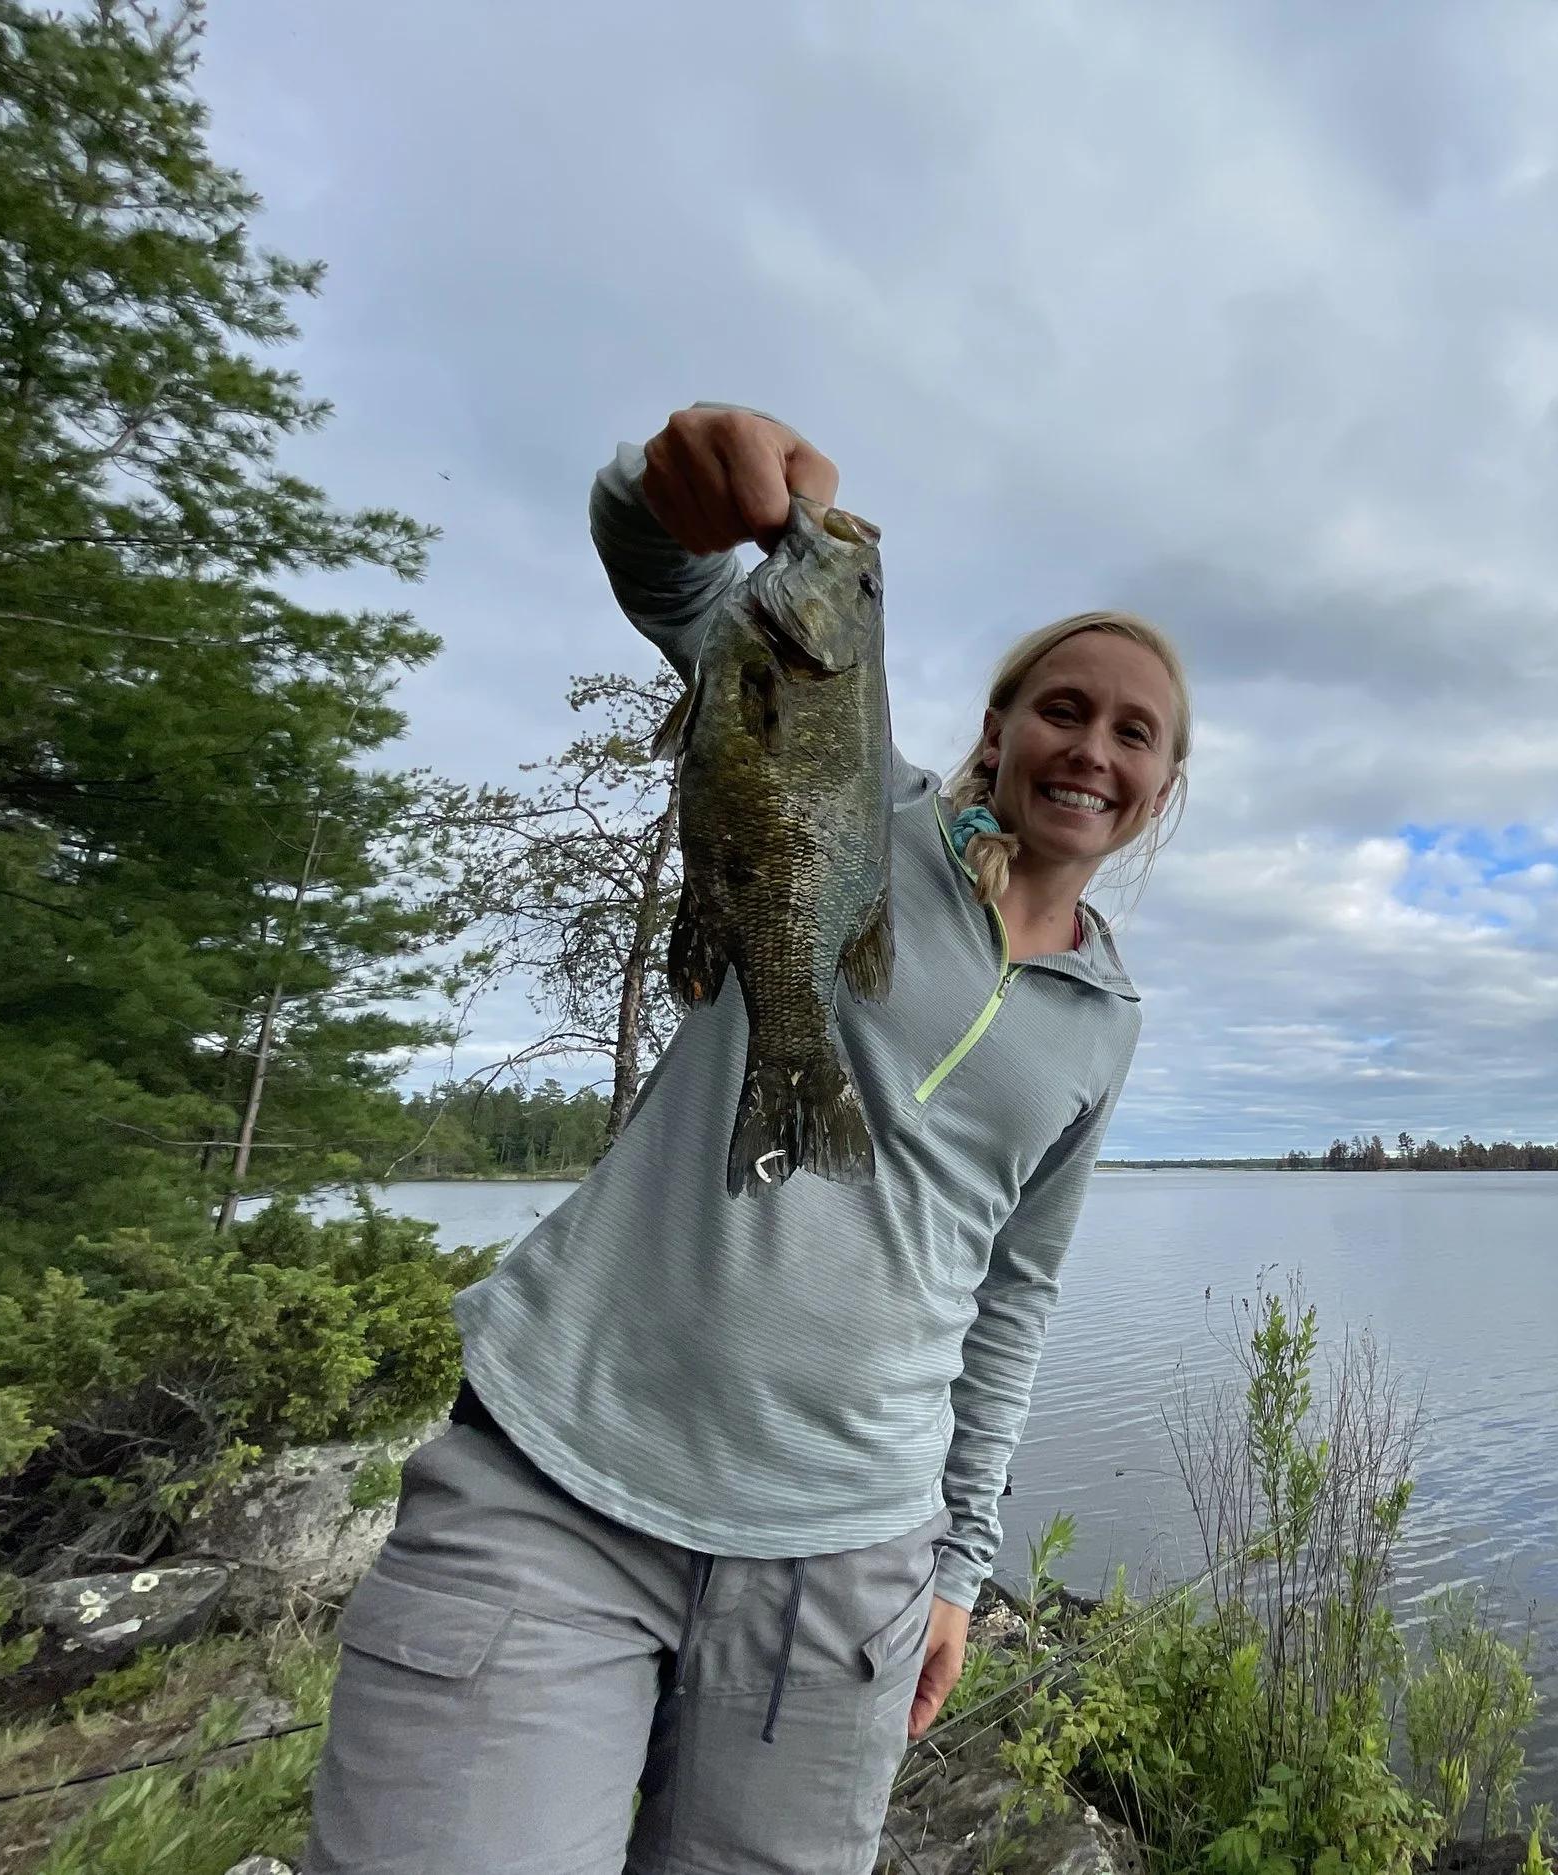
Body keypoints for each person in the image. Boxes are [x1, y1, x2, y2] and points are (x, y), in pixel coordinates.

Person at [305, 405, 1191, 1875]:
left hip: (847, 1561)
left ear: (1160, 786)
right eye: (1061, 707)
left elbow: (1015, 1294)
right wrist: (668, 488)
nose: (1089, 745)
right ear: (995, 726)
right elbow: (666, 576)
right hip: (564, 1480)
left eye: (1132, 731)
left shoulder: (1102, 1022)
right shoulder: (856, 789)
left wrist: (961, 1564)